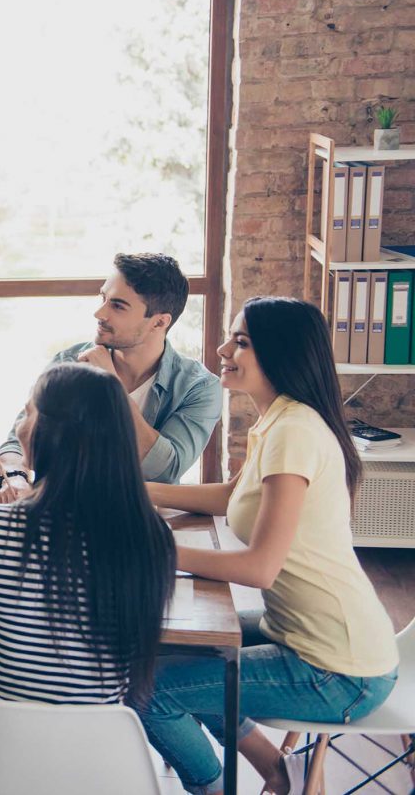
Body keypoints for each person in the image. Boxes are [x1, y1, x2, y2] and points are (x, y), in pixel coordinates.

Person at [136, 298, 398, 795]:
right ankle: (283, 774)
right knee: (170, 647)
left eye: (242, 342)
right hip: (302, 634)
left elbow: (259, 569)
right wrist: (137, 489)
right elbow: (232, 495)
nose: (222, 350)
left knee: (148, 691)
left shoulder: (295, 431)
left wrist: (156, 552)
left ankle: (228, 786)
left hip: (338, 668)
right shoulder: (279, 421)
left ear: (283, 353)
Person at [0, 363, 175, 710]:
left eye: (27, 413)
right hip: (102, 754)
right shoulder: (152, 535)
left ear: (50, 432)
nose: (20, 426)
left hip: (0, 746)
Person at [0, 252, 220, 501]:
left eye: (118, 306)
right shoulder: (70, 361)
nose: (100, 313)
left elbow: (166, 471)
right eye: (103, 297)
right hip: (59, 512)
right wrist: (16, 478)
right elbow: (17, 442)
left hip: (137, 524)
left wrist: (111, 385)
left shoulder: (199, 387)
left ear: (159, 323)